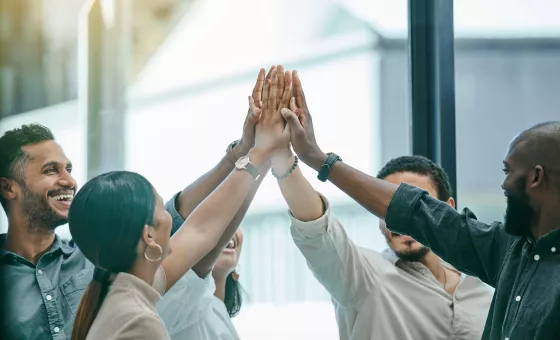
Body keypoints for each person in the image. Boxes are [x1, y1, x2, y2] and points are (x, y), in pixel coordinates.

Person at [278, 70, 560, 339]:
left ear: (536, 178)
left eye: (507, 172)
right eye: (383, 209)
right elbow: (322, 230)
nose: (503, 184)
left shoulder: (483, 281)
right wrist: (304, 158)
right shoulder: (366, 275)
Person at [0, 66, 278, 339]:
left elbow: (200, 230)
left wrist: (249, 153)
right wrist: (259, 154)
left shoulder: (108, 273)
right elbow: (198, 230)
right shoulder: (134, 314)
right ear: (7, 187)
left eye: (69, 170)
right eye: (51, 170)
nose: (68, 181)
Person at [271, 107, 493, 339]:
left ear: (447, 208)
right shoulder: (362, 277)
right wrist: (281, 157)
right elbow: (317, 229)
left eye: (416, 209)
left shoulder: (482, 289)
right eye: (392, 210)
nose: (403, 221)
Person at [158, 65, 293, 340]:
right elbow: (203, 230)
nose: (168, 219)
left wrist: (264, 151)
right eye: (156, 216)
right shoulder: (166, 300)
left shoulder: (216, 312)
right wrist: (262, 151)